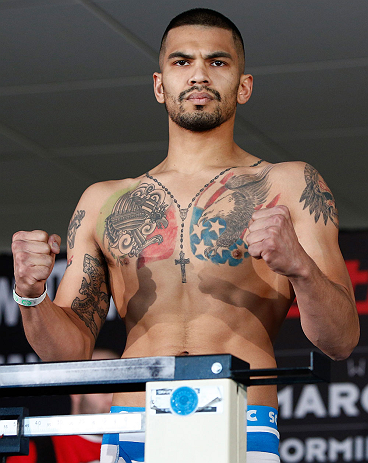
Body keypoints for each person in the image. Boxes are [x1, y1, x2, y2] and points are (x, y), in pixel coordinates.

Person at [11, 8, 359, 463]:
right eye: (181, 62)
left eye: (217, 62)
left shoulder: (289, 185)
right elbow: (68, 352)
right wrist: (30, 295)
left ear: (244, 85)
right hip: (132, 430)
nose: (198, 73)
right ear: (160, 86)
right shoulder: (104, 201)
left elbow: (342, 340)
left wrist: (302, 269)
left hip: (239, 429)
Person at [6, 348, 118, 463]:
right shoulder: (34, 451)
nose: (113, 395)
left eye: (121, 386)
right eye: (103, 385)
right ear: (76, 391)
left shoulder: (136, 447)